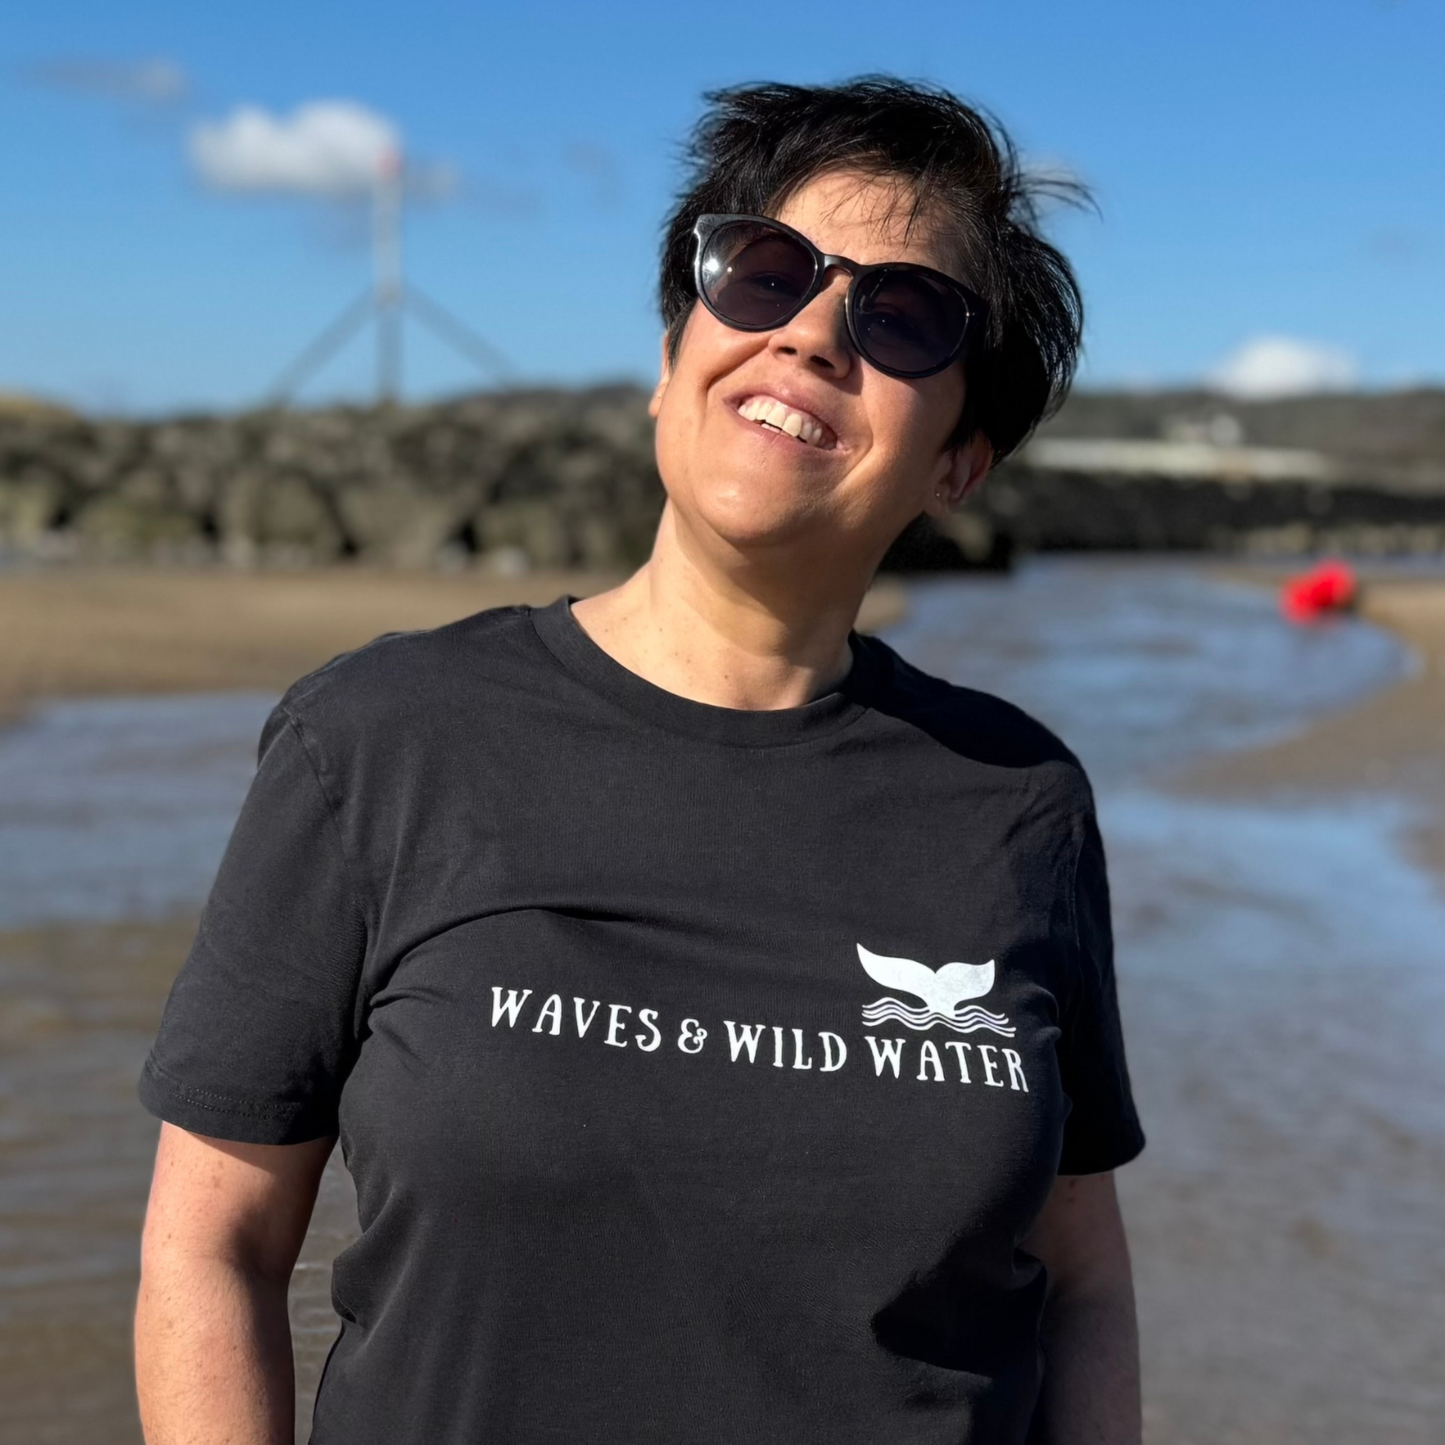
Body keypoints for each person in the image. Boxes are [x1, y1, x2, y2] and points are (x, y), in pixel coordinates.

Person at [134, 77, 1145, 1444]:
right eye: (765, 273)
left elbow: (1080, 1278)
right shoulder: (379, 741)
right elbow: (212, 1248)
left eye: (901, 317)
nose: (809, 335)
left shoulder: (1019, 802)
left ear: (958, 467)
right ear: (674, 357)